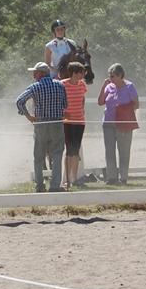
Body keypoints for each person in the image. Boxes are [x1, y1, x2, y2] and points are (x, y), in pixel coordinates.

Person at [16, 62, 67, 192]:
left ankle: (40, 185)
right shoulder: (60, 85)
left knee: (38, 156)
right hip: (57, 123)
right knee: (57, 155)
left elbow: (19, 101)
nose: (33, 74)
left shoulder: (35, 87)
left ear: (41, 73)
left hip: (41, 124)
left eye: (35, 72)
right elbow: (65, 105)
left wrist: (28, 116)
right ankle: (55, 186)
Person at [98, 64, 138, 184]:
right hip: (108, 122)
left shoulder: (130, 86)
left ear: (120, 75)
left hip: (124, 123)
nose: (110, 78)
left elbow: (136, 104)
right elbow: (100, 102)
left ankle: (123, 177)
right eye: (109, 76)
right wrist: (103, 86)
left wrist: (125, 113)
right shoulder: (108, 86)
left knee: (124, 151)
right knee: (109, 151)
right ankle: (111, 177)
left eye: (113, 76)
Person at [60, 61, 89, 189]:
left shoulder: (82, 85)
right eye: (81, 72)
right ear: (74, 73)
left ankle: (74, 178)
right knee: (68, 150)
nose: (83, 75)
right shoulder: (62, 84)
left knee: (76, 150)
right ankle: (66, 179)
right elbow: (59, 101)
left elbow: (83, 100)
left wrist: (82, 112)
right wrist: (63, 113)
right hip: (67, 122)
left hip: (80, 121)